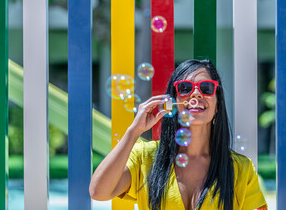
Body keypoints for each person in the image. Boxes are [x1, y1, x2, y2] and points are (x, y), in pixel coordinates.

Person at [89, 59, 267, 210]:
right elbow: (98, 192)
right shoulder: (146, 157)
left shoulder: (240, 168)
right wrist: (133, 132)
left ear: (217, 105)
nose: (196, 94)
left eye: (206, 88)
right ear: (172, 103)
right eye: (184, 88)